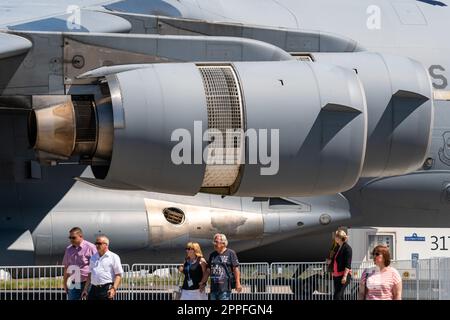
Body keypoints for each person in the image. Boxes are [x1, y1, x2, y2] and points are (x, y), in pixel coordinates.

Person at [81, 235, 123, 300]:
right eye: (96, 243)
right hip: (93, 289)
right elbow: (90, 274)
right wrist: (85, 289)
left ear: (106, 245)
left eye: (99, 244)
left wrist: (113, 289)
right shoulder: (93, 257)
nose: (97, 245)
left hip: (106, 288)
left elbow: (118, 275)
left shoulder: (114, 257)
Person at [62, 227, 97, 300]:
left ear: (81, 236)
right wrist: (64, 283)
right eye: (70, 237)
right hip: (74, 282)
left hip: (88, 282)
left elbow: (95, 267)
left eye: (73, 237)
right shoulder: (69, 249)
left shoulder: (90, 248)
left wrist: (87, 286)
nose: (71, 240)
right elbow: (66, 267)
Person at [206, 233, 242, 300]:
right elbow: (208, 270)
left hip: (225, 289)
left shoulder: (231, 253)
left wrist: (238, 283)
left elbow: (235, 269)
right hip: (213, 288)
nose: (214, 243)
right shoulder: (212, 255)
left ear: (223, 243)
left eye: (216, 241)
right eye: (214, 241)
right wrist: (203, 282)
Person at [331, 229, 352, 300]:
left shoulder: (347, 248)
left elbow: (348, 264)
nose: (335, 238)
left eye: (336, 237)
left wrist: (345, 276)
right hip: (336, 275)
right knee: (340, 296)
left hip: (344, 275)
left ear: (340, 238)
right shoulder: (337, 247)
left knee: (337, 296)